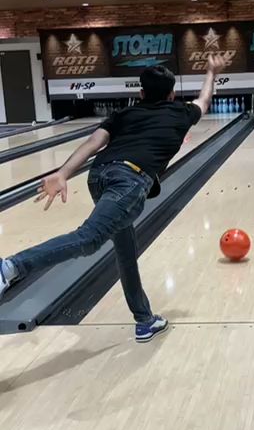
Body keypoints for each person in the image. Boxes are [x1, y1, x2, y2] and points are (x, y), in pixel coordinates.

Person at [0, 54, 226, 342]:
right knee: (89, 239)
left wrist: (63, 173)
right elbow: (204, 100)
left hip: (99, 176)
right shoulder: (181, 112)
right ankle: (10, 267)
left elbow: (94, 142)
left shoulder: (124, 114)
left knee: (125, 250)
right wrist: (211, 72)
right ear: (172, 94)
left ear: (140, 93)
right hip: (129, 182)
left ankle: (144, 320)